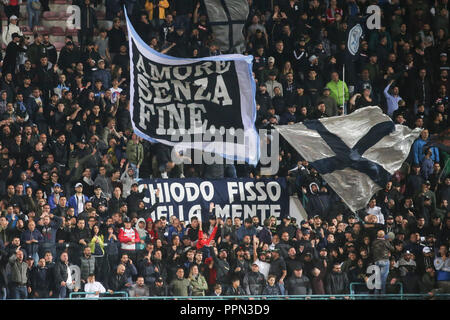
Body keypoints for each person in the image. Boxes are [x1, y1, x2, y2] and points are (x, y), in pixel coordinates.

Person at [371, 230, 395, 294]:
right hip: (384, 261)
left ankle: (376, 293)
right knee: (383, 278)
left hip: (376, 261)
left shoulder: (374, 242)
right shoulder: (385, 241)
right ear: (384, 235)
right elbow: (392, 249)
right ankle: (382, 294)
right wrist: (389, 241)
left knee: (377, 278)